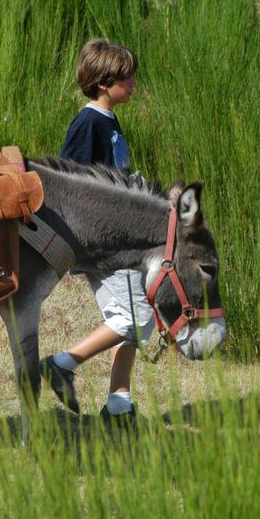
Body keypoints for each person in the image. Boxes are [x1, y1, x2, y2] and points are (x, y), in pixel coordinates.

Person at [40, 38, 154, 425]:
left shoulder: (109, 121)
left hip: (120, 237)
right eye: (128, 78)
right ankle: (62, 364)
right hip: (102, 242)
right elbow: (67, 181)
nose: (134, 84)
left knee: (132, 317)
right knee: (135, 316)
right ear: (105, 83)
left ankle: (119, 404)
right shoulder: (88, 123)